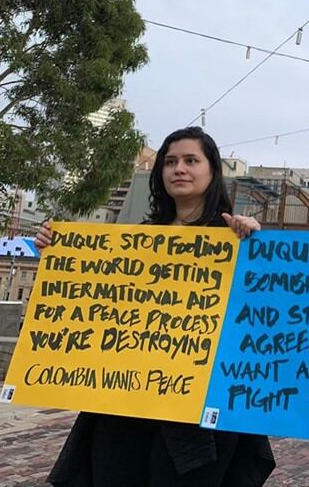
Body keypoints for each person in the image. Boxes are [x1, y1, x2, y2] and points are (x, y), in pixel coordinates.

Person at [34, 126, 274, 486]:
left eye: (191, 160)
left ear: (212, 171)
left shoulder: (237, 239)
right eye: (171, 161)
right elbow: (98, 303)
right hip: (126, 401)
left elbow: (262, 310)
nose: (180, 169)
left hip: (198, 409)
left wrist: (255, 242)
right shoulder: (138, 239)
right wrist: (58, 254)